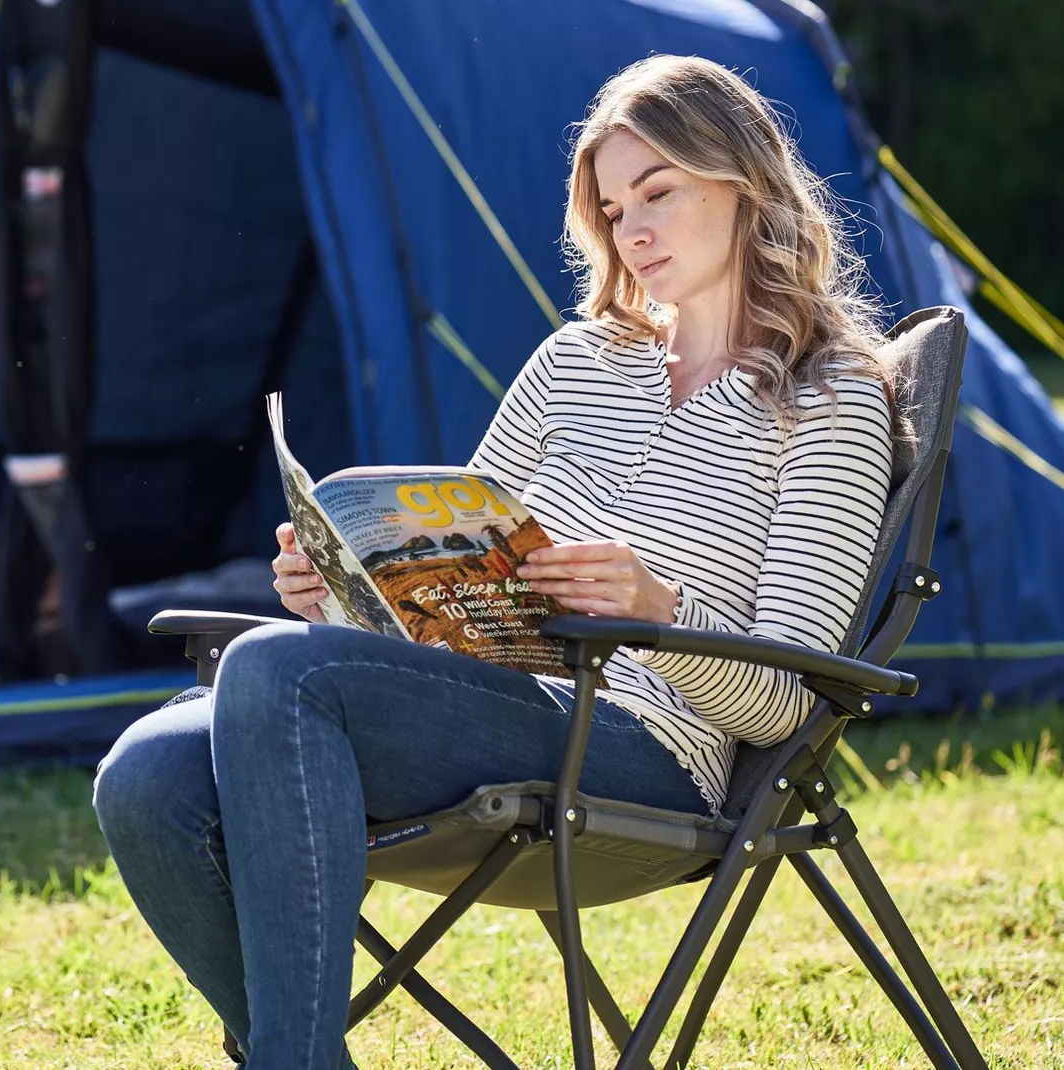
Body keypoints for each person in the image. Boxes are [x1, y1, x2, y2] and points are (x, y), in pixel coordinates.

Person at [92, 54, 905, 1069]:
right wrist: (341, 592)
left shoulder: (828, 397)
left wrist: (659, 607)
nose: (633, 230)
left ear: (742, 181)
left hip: (641, 749)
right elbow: (448, 576)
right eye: (613, 209)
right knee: (148, 773)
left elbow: (790, 699)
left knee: (275, 672)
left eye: (658, 192)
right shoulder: (574, 363)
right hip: (486, 704)